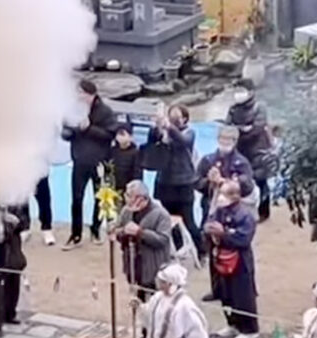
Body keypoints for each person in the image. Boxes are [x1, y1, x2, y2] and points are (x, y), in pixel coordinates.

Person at [195, 126, 255, 302]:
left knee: (230, 248)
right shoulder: (208, 160)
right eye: (221, 140)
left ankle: (233, 289)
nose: (224, 144)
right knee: (213, 248)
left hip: (233, 211)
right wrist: (209, 181)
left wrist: (223, 181)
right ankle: (216, 289)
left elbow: (247, 185)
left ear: (235, 142)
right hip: (212, 208)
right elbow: (196, 181)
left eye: (228, 141)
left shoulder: (241, 162)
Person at [113, 180, 172, 338]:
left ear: (141, 198)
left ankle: (158, 334)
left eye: (129, 196)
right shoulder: (127, 211)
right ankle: (144, 332)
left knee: (156, 302)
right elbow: (116, 231)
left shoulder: (161, 215)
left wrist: (141, 233)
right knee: (138, 300)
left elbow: (163, 239)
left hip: (153, 265)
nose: (126, 199)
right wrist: (123, 232)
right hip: (134, 263)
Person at [61, 79, 116, 250]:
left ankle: (95, 229)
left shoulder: (106, 112)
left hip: (99, 161)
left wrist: (89, 128)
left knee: (99, 198)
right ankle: (75, 234)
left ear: (91, 95)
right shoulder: (73, 110)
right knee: (76, 199)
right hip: (79, 160)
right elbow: (66, 131)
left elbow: (109, 135)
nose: (78, 96)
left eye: (81, 93)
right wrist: (69, 132)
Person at [204, 181, 260, 338]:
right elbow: (208, 224)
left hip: (240, 261)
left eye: (224, 194)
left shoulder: (245, 215)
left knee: (243, 295)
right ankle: (232, 323)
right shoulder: (219, 211)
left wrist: (224, 233)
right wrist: (210, 230)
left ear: (235, 196)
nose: (220, 198)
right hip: (221, 258)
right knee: (225, 293)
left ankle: (250, 329)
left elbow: (244, 239)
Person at [147, 105, 203, 258]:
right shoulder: (164, 133)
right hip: (165, 181)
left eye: (177, 117)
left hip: (183, 183)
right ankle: (179, 248)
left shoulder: (189, 132)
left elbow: (183, 141)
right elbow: (151, 141)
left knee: (189, 220)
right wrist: (157, 126)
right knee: (169, 220)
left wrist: (169, 127)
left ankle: (201, 250)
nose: (173, 120)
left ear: (185, 119)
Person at [227, 80, 275, 223]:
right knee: (239, 182)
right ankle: (239, 212)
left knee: (261, 182)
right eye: (236, 91)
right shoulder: (233, 109)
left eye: (241, 91)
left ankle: (264, 212)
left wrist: (240, 131)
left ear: (251, 92)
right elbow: (228, 126)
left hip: (259, 151)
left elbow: (257, 128)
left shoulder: (259, 108)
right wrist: (243, 129)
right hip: (240, 151)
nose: (238, 95)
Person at [0, 203, 28, 335]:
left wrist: (15, 221)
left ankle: (9, 313)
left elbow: (25, 221)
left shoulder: (18, 198)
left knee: (13, 279)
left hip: (12, 244)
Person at [109, 123, 142, 195]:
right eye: (118, 134)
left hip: (127, 190)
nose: (120, 137)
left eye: (123, 134)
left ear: (130, 137)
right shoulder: (112, 151)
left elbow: (137, 173)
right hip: (112, 188)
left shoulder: (136, 153)